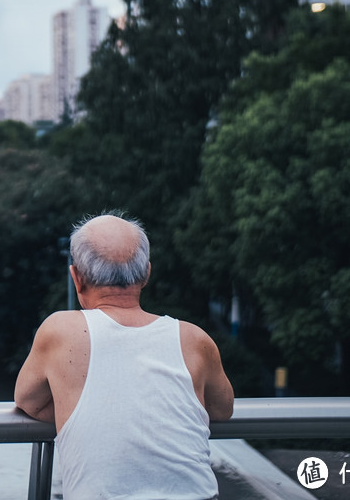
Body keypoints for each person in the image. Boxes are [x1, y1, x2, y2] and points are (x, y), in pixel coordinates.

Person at [15, 212, 233, 500]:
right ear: (146, 274)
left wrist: (93, 408)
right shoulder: (194, 339)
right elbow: (221, 410)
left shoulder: (60, 331)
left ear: (76, 278)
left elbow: (27, 401)